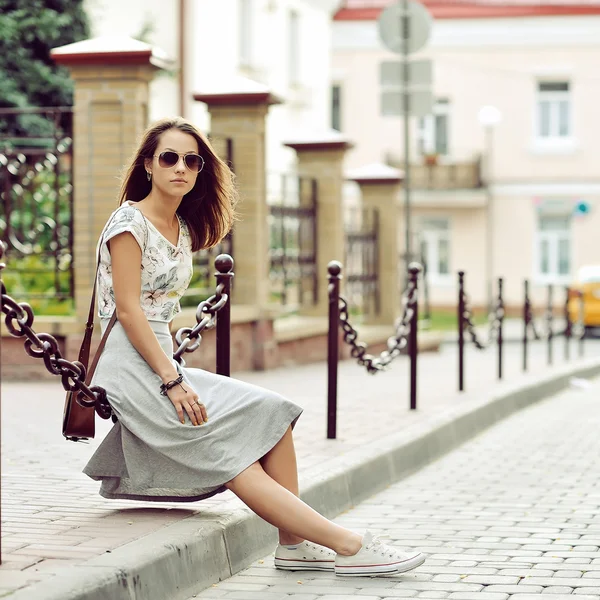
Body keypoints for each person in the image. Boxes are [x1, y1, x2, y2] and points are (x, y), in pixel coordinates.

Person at [83, 117, 426, 577]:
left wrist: (173, 371)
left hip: (161, 358)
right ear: (149, 165)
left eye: (192, 160)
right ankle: (349, 544)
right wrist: (172, 380)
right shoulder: (129, 222)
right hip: (129, 365)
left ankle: (294, 545)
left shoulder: (180, 228)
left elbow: (160, 311)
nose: (180, 167)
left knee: (272, 411)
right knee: (228, 450)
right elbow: (128, 310)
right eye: (169, 158)